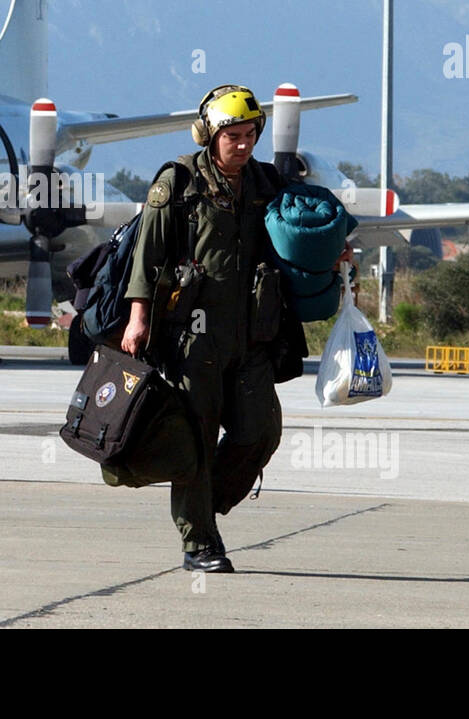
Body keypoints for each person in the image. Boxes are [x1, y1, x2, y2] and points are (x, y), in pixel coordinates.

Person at [120, 84, 349, 573]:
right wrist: (138, 318)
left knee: (260, 432)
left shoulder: (266, 183)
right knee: (196, 441)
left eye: (249, 135)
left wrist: (332, 253)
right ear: (209, 135)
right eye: (232, 136)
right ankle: (199, 541)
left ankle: (204, 509)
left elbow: (301, 229)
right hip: (192, 339)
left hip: (253, 336)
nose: (242, 145)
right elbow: (147, 257)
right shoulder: (177, 183)